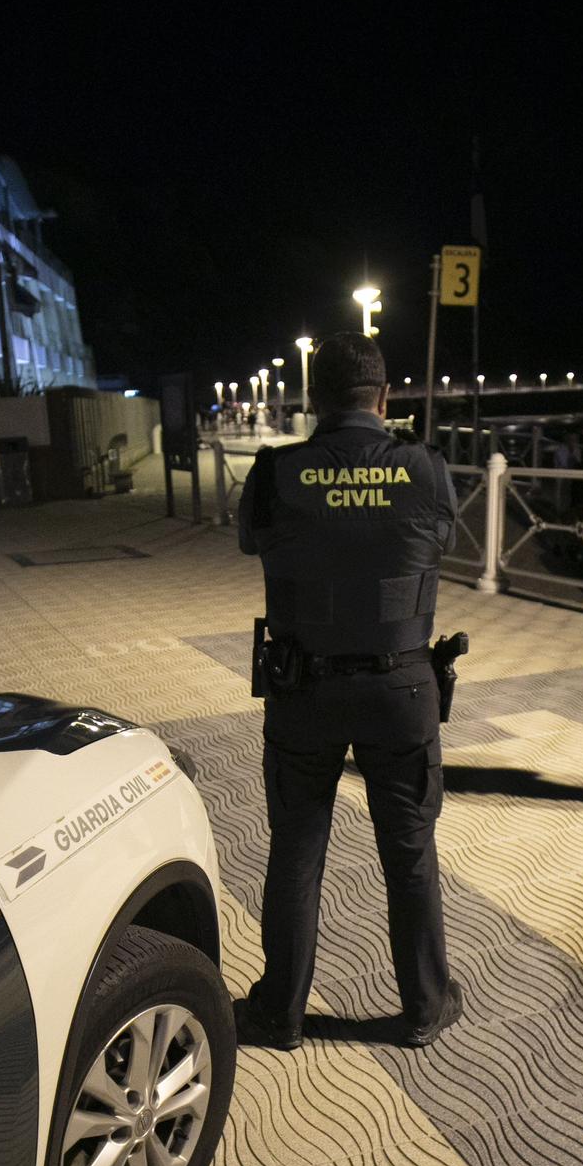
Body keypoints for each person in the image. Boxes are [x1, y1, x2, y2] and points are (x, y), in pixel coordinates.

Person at [237, 331, 463, 1049]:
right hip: (400, 687)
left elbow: (251, 541)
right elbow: (441, 542)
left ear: (313, 398)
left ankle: (279, 1012)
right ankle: (424, 1006)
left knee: (296, 848)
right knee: (409, 849)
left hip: (302, 688)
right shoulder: (423, 468)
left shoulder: (276, 471)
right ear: (384, 397)